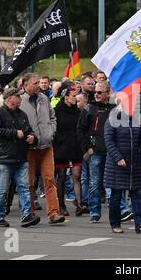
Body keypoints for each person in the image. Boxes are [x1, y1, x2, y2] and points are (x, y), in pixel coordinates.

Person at [0, 88, 41, 228]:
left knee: (24, 187)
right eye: (17, 96)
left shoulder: (22, 114)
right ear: (9, 98)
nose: (20, 99)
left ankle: (26, 215)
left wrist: (32, 138)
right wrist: (14, 133)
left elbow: (28, 130)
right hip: (5, 158)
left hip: (21, 157)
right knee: (2, 189)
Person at [20, 73, 65, 224]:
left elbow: (53, 117)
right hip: (29, 148)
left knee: (49, 179)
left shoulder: (44, 98)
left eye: (38, 82)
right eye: (34, 83)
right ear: (25, 85)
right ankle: (30, 212)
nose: (37, 85)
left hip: (46, 145)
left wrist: (51, 131)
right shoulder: (20, 101)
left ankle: (53, 213)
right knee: (30, 182)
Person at [104, 106, 141, 234]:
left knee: (137, 194)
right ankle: (115, 223)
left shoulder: (135, 121)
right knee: (116, 196)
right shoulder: (112, 119)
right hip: (117, 166)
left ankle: (139, 223)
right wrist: (118, 157)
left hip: (133, 164)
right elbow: (109, 141)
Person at [76, 82, 115, 223]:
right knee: (94, 183)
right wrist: (87, 147)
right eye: (95, 92)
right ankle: (94, 212)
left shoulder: (114, 108)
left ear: (107, 93)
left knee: (113, 183)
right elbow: (80, 130)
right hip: (96, 152)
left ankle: (119, 210)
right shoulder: (89, 108)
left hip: (111, 152)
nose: (97, 95)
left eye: (100, 92)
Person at [53, 83, 85, 216]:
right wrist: (59, 140)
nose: (76, 98)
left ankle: (79, 203)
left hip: (76, 147)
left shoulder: (78, 111)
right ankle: (61, 205)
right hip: (62, 148)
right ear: (65, 97)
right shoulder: (57, 110)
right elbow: (54, 128)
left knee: (77, 175)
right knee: (61, 176)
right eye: (73, 96)